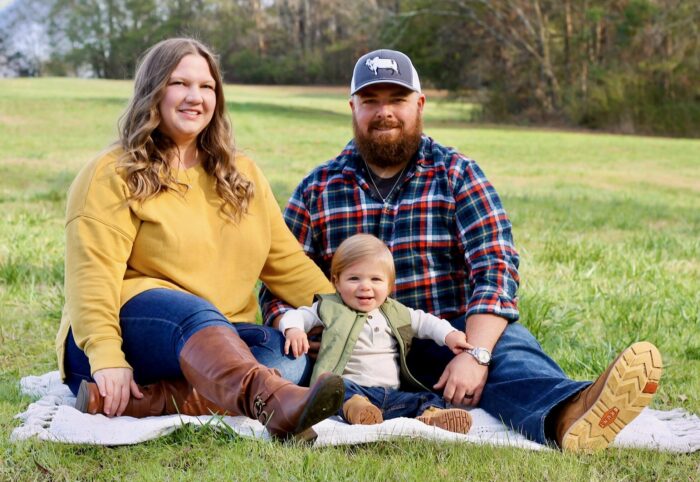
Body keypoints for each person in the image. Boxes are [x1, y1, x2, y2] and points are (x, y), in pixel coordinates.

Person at [259, 49, 663, 451]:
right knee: (281, 360)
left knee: (509, 353)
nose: (385, 112)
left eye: (397, 100)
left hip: (444, 333)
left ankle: (568, 414)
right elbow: (278, 273)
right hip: (352, 347)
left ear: (419, 104)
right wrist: (298, 327)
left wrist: (478, 354)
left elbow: (495, 267)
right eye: (371, 101)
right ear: (353, 107)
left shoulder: (457, 174)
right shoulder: (319, 187)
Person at [55, 37, 345, 441]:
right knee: (195, 313)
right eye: (180, 84)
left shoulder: (240, 174)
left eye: (207, 87)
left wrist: (351, 317)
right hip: (120, 338)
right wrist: (105, 355)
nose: (195, 97)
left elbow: (287, 265)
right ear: (153, 91)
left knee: (282, 354)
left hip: (216, 347)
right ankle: (275, 402)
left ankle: (149, 401)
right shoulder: (112, 173)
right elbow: (92, 277)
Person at [279, 234, 474, 433]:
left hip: (390, 394)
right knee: (334, 390)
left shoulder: (394, 312)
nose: (365, 286)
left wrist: (449, 335)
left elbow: (425, 321)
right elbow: (299, 315)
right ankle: (355, 409)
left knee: (427, 397)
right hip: (351, 388)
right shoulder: (330, 307)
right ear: (336, 282)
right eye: (354, 278)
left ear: (389, 285)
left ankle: (432, 415)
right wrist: (294, 329)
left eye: (376, 279)